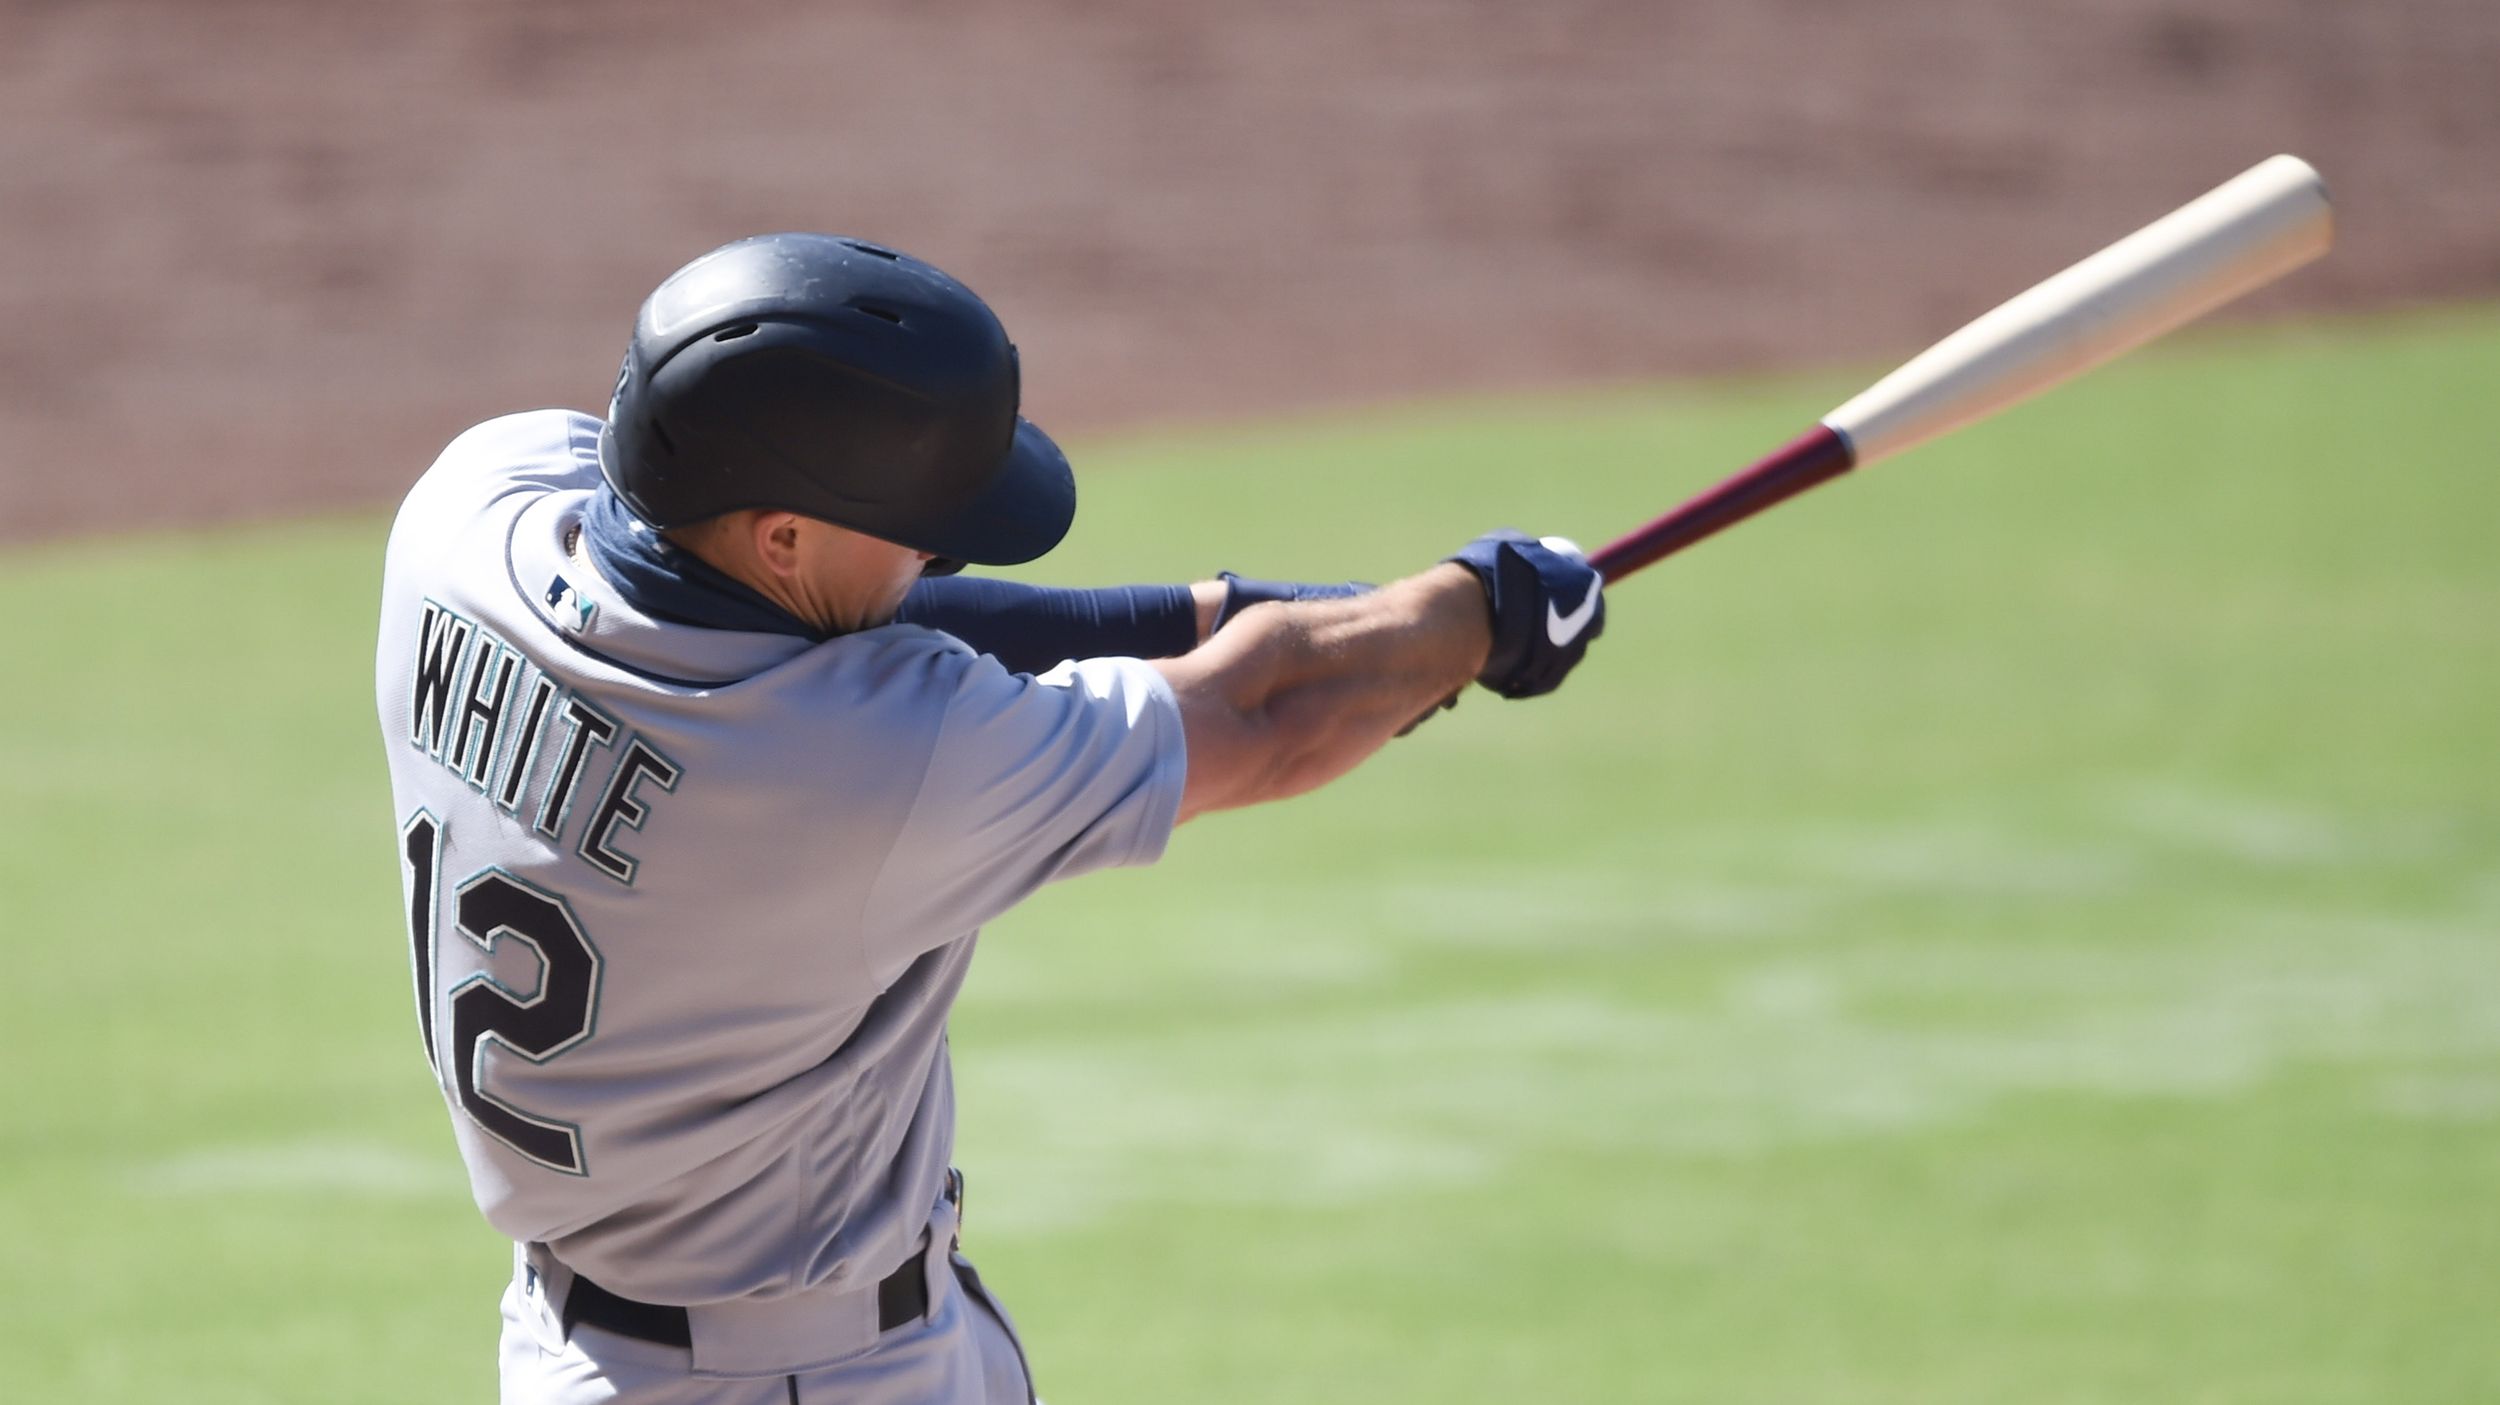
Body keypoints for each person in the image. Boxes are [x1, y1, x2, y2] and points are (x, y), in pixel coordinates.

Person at [375, 232, 1603, 1405]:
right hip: (805, 1376)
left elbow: (834, 626)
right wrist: (1475, 614)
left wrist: (1219, 608)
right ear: (784, 532)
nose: (934, 559)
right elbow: (1273, 718)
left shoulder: (468, 510)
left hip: (568, 1344)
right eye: (913, 533)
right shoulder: (874, 768)